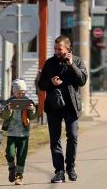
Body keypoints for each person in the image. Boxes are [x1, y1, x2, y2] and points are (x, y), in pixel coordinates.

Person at [38, 36, 88, 183]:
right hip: (54, 107)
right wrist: (50, 82)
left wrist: (71, 65)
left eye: (59, 49)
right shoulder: (49, 63)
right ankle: (59, 171)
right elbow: (41, 84)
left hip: (71, 107)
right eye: (55, 49)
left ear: (67, 49)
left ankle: (70, 167)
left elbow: (82, 80)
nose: (57, 51)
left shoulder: (77, 61)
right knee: (55, 140)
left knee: (72, 136)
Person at [0, 79, 37, 185]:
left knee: (21, 156)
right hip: (11, 133)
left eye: (23, 93)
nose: (21, 95)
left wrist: (32, 110)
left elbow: (32, 116)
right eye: (18, 93)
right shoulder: (8, 102)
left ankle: (19, 176)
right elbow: (3, 116)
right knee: (10, 154)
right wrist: (8, 110)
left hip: (24, 134)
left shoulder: (28, 101)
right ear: (13, 91)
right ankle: (12, 168)